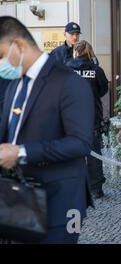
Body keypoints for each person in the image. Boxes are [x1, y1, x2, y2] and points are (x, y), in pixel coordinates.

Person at [0, 16, 94, 243]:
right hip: (16, 199)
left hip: (58, 202)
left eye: (1, 55)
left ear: (19, 46)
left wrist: (21, 152)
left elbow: (80, 143)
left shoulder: (69, 82)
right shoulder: (14, 83)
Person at [66, 40, 109, 199]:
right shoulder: (96, 70)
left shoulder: (67, 68)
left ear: (75, 52)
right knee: (94, 154)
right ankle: (96, 188)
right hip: (91, 117)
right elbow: (103, 90)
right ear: (89, 52)